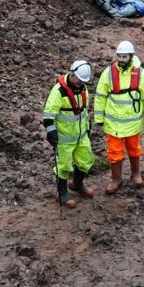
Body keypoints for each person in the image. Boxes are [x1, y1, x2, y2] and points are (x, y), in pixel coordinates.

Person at [94, 40, 144, 193]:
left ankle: (136, 175)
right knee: (114, 153)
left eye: (124, 57)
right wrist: (99, 118)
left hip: (132, 124)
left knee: (134, 150)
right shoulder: (108, 73)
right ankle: (116, 179)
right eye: (119, 57)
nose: (121, 60)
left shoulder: (141, 74)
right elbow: (100, 97)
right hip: (113, 124)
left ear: (131, 56)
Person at [42, 59, 96, 208]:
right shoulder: (59, 91)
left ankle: (77, 184)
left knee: (86, 161)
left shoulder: (83, 88)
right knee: (64, 166)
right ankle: (62, 192)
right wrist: (51, 132)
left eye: (82, 81)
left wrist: (88, 126)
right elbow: (48, 115)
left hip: (81, 135)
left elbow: (84, 111)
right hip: (64, 138)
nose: (80, 83)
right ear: (72, 74)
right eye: (78, 80)